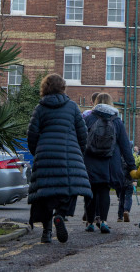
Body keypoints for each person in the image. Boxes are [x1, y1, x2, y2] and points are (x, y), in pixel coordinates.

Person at [26, 74, 92, 244]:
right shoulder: (72, 107)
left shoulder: (40, 108)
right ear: (63, 87)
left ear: (45, 88)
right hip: (68, 154)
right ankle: (60, 216)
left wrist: (37, 152)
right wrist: (78, 151)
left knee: (45, 194)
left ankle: (46, 232)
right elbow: (83, 133)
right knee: (69, 188)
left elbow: (32, 134)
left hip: (45, 154)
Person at [83, 92, 137, 234]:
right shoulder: (117, 121)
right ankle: (104, 221)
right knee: (104, 191)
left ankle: (89, 222)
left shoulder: (88, 118)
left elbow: (80, 140)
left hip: (90, 160)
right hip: (109, 162)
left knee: (91, 191)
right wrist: (132, 166)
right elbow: (125, 146)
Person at [117, 142, 135, 223]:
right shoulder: (130, 158)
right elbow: (133, 170)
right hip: (129, 181)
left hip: (121, 181)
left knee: (121, 198)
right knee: (128, 197)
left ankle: (120, 216)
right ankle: (126, 210)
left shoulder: (119, 158)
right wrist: (135, 180)